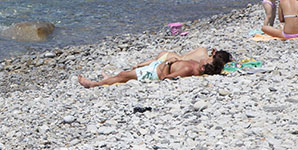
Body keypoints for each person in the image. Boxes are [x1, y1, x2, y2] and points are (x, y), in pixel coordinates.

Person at [77, 47, 232, 88]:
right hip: (157, 67)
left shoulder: (187, 70)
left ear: (204, 68)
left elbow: (164, 78)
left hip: (153, 73)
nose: (205, 57)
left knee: (124, 75)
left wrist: (168, 63)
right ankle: (108, 80)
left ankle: (93, 84)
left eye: (208, 59)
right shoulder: (196, 66)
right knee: (124, 75)